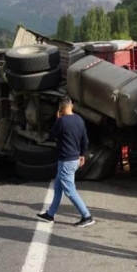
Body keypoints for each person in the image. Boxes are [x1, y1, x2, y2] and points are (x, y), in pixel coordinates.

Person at [36, 96, 95, 227]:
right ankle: (50, 214)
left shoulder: (61, 121)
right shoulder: (79, 120)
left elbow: (51, 135)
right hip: (74, 159)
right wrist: (82, 154)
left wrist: (57, 120)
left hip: (66, 161)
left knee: (70, 191)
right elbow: (85, 140)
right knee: (58, 187)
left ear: (61, 109)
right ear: (71, 106)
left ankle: (87, 216)